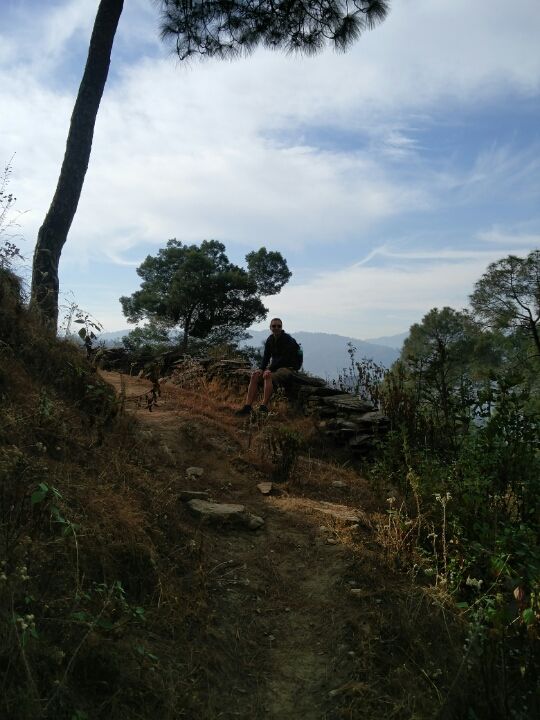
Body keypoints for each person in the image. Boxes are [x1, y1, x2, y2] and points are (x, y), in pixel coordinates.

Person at [236, 318, 301, 415]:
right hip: (276, 367)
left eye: (279, 326)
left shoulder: (288, 340)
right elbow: (266, 357)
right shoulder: (270, 339)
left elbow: (284, 359)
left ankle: (263, 407)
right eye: (274, 326)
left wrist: (269, 369)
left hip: (287, 368)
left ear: (282, 327)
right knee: (255, 375)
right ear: (270, 327)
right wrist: (261, 369)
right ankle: (248, 407)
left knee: (267, 376)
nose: (276, 328)